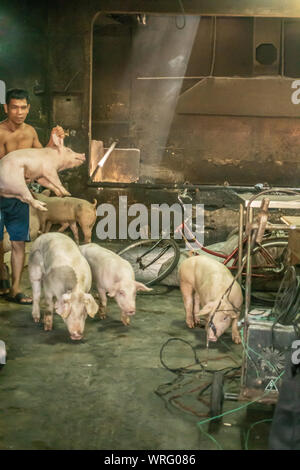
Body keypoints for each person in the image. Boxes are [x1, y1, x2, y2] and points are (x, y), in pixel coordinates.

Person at [0, 88, 65, 304]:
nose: (19, 112)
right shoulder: (0, 132)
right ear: (6, 108)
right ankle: (2, 278)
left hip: (19, 198)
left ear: (28, 108)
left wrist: (53, 140)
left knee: (19, 243)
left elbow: (42, 157)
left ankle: (15, 289)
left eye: (23, 107)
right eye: (15, 107)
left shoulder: (30, 132)